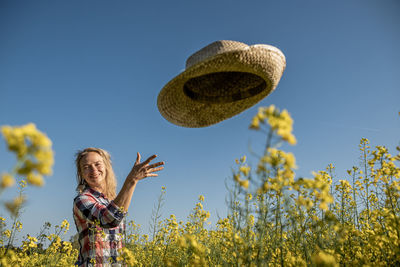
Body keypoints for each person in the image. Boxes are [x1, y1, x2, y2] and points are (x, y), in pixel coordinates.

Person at [73, 147, 164, 266]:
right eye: (86, 167)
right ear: (81, 174)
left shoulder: (111, 201)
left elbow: (117, 245)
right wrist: (132, 180)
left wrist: (133, 181)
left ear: (106, 166)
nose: (93, 170)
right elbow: (109, 220)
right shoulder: (82, 199)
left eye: (97, 164)